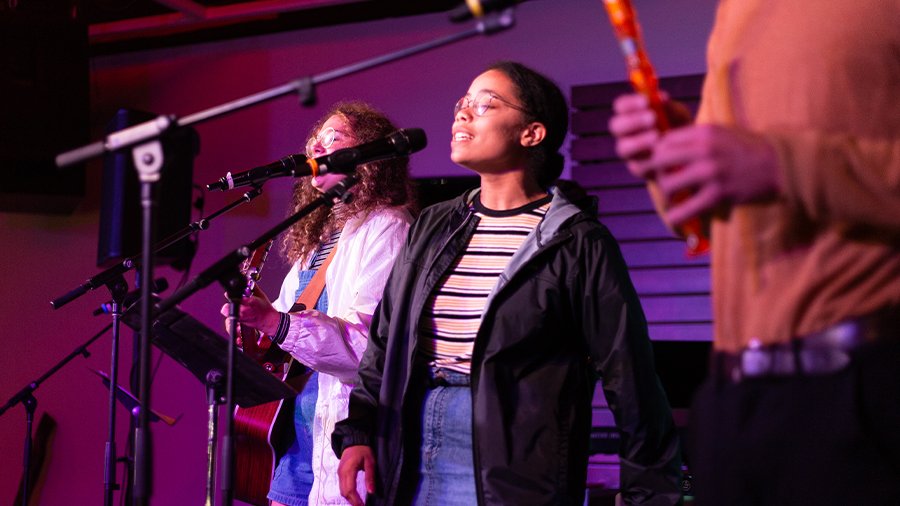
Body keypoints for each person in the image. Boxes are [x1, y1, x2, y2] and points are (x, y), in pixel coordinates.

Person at [333, 61, 682, 505]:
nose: (463, 113)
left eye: (486, 104)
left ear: (532, 133)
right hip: (407, 438)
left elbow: (629, 377)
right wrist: (359, 429)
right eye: (463, 104)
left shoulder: (577, 241)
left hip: (510, 457)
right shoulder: (433, 224)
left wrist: (649, 496)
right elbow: (384, 341)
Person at [608, 1, 900, 504]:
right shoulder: (738, 12)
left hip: (869, 389)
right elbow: (714, 226)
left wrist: (781, 165)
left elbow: (779, 168)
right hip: (735, 403)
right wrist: (675, 161)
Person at [225, 101, 415, 505]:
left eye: (334, 139)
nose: (316, 150)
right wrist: (251, 319)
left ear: (369, 157)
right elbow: (284, 330)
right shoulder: (318, 242)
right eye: (314, 142)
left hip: (346, 432)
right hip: (297, 433)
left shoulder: (387, 227)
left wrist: (273, 322)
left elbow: (367, 350)